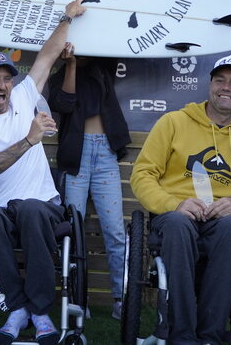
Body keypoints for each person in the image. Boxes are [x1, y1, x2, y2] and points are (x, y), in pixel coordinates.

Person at [0, 0, 86, 345]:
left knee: (28, 206)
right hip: (3, 213)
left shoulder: (25, 97)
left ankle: (38, 309)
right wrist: (28, 140)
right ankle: (19, 308)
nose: (2, 85)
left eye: (6, 78)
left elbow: (47, 55)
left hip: (42, 205)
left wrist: (67, 16)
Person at [130, 54, 231, 345]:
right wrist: (174, 204)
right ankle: (182, 337)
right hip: (175, 216)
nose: (226, 88)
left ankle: (210, 337)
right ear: (210, 85)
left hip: (220, 222)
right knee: (179, 225)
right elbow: (141, 176)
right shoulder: (173, 123)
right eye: (220, 80)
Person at [47, 46, 130, 320]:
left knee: (116, 231)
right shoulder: (59, 75)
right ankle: (76, 300)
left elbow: (115, 39)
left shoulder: (103, 64)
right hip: (76, 156)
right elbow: (64, 104)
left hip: (106, 153)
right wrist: (70, 64)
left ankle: (121, 300)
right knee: (74, 231)